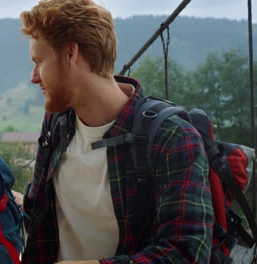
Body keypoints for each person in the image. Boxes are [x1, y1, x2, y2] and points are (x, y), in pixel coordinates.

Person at [19, 0, 213, 263]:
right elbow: (36, 211)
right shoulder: (56, 124)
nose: (33, 76)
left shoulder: (172, 137)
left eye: (39, 61)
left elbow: (186, 253)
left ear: (71, 53)